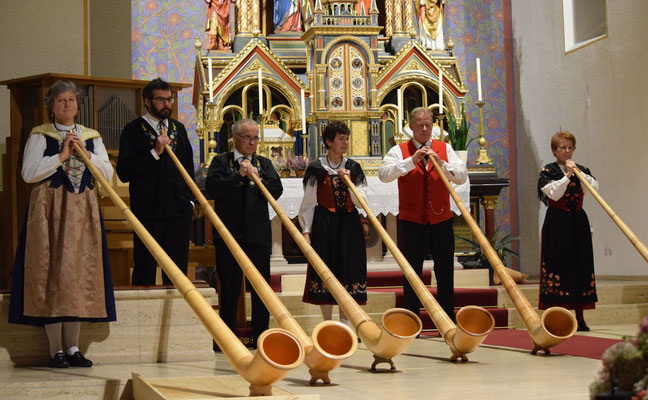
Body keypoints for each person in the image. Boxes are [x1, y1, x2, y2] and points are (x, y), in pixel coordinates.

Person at [8, 80, 116, 368]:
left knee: (78, 275)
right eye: (60, 101)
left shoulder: (91, 136)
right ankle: (55, 348)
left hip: (82, 210)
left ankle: (73, 347)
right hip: (50, 209)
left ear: (78, 105)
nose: (67, 105)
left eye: (71, 100)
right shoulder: (40, 136)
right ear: (51, 107)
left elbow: (108, 174)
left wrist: (88, 154)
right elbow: (28, 173)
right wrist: (62, 156)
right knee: (53, 273)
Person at [378, 107, 467, 321]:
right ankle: (412, 319)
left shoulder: (444, 147)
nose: (425, 129)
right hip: (412, 221)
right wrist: (412, 160)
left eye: (428, 124)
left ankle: (446, 318)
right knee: (412, 272)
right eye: (420, 125)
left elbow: (461, 176)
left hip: (441, 219)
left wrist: (441, 163)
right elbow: (383, 175)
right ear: (410, 127)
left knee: (445, 270)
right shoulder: (399, 150)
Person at [205, 119, 283, 346]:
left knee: (261, 289)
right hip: (229, 235)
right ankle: (226, 340)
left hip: (257, 235)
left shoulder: (264, 163)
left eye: (255, 138)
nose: (252, 142)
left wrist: (255, 177)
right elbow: (213, 189)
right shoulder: (221, 162)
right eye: (248, 137)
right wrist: (239, 174)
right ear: (235, 138)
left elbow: (276, 190)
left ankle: (261, 337)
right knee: (229, 288)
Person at [116, 78, 195, 286]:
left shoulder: (178, 129)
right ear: (147, 101)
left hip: (178, 211)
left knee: (177, 271)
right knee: (145, 268)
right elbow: (125, 172)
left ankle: (178, 315)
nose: (167, 104)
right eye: (160, 99)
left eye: (170, 99)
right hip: (147, 212)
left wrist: (190, 203)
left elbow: (187, 169)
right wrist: (155, 152)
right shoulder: (133, 130)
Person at [299, 121, 368, 325]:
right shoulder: (316, 168)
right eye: (340, 139)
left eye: (347, 139)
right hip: (324, 225)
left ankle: (346, 324)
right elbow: (309, 203)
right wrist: (305, 230)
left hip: (349, 225)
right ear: (329, 142)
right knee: (326, 272)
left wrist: (350, 184)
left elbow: (361, 202)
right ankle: (328, 324)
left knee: (348, 270)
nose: (345, 143)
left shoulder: (353, 167)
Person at [537, 131, 598, 332]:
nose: (567, 151)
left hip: (577, 222)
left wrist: (579, 174)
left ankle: (580, 317)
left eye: (570, 147)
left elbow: (594, 189)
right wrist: (568, 175)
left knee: (580, 265)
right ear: (554, 150)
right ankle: (557, 317)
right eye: (562, 147)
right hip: (557, 223)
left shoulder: (582, 169)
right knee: (558, 265)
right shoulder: (548, 171)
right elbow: (553, 194)